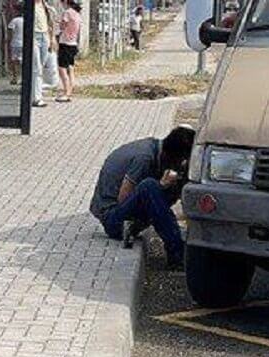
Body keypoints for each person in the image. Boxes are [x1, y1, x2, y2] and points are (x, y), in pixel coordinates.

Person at [89, 126, 196, 269]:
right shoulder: (144, 158)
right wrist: (161, 185)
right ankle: (177, 253)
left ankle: (191, 243)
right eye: (183, 159)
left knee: (174, 182)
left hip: (126, 217)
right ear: (176, 155)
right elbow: (123, 199)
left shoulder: (157, 150)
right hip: (113, 219)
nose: (182, 163)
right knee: (149, 186)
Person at [30, 0, 55, 107]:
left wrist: (52, 38)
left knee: (41, 67)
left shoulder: (45, 6)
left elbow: (50, 23)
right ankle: (36, 98)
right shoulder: (29, 5)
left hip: (45, 36)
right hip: (34, 36)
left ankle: (36, 93)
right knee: (37, 67)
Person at [55, 0, 81, 102]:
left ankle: (66, 93)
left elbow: (62, 26)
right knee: (70, 68)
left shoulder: (67, 12)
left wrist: (59, 23)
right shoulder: (77, 14)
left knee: (62, 69)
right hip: (73, 43)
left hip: (65, 43)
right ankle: (69, 91)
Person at [8, 3, 25, 84]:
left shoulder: (14, 20)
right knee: (22, 62)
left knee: (14, 61)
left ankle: (15, 78)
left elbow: (10, 31)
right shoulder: (25, 20)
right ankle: (23, 78)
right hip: (23, 43)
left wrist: (8, 41)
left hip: (15, 43)